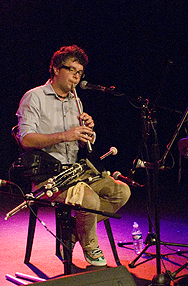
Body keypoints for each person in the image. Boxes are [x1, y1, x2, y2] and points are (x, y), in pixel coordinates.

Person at [16, 45, 131, 266]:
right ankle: (91, 246)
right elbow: (27, 139)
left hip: (75, 173)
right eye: (72, 71)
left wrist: (88, 133)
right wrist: (65, 135)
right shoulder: (34, 97)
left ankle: (72, 231)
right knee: (88, 199)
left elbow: (83, 143)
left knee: (121, 192)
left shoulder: (75, 100)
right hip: (47, 177)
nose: (76, 78)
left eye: (80, 73)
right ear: (56, 69)